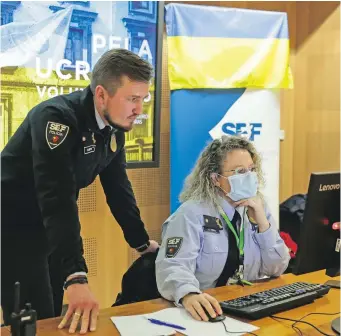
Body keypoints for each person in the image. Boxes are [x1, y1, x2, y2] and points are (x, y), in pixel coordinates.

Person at [1, 48, 159, 334]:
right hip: (13, 224)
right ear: (101, 95)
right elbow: (57, 196)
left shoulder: (114, 127)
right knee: (34, 318)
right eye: (133, 99)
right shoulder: (57, 119)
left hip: (51, 226)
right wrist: (75, 274)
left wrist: (139, 241)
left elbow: (118, 187)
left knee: (51, 312)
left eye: (143, 99)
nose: (140, 109)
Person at [155, 135, 290, 322]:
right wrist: (189, 294)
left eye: (252, 170)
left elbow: (277, 268)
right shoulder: (191, 214)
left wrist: (262, 224)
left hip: (246, 305)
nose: (249, 177)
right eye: (240, 171)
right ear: (216, 179)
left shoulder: (258, 207)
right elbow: (173, 266)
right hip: (206, 311)